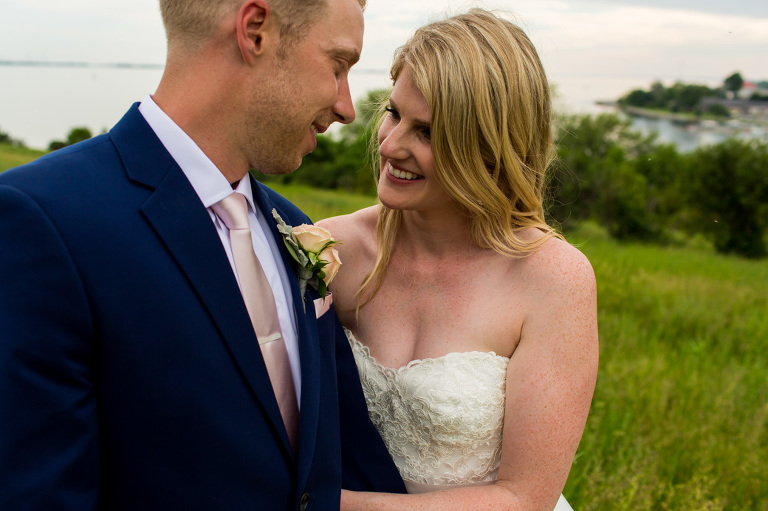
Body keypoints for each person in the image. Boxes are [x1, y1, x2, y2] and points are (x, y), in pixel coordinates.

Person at [0, 0, 405, 509]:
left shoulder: (298, 230)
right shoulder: (43, 221)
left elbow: (337, 460)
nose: (347, 106)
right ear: (255, 31)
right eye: (338, 65)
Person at [318, 8, 599, 511]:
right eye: (394, 113)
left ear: (489, 150)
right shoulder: (330, 250)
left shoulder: (553, 278)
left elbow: (524, 497)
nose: (391, 144)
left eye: (426, 133)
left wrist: (324, 505)